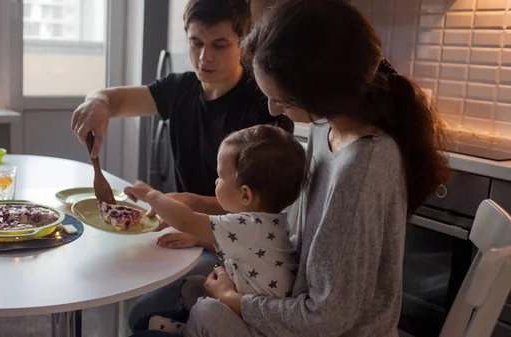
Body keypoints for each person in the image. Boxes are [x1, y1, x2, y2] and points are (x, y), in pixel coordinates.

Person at [130, 0, 451, 336]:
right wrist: (228, 250)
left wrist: (233, 299)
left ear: (320, 90)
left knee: (160, 320)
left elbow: (326, 318)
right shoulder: (324, 127)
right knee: (156, 310)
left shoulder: (362, 167)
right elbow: (306, 250)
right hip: (291, 314)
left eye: (281, 99)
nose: (272, 107)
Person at [70, 0, 293, 328]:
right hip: (182, 227)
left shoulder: (264, 108)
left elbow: (262, 210)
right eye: (196, 43)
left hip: (237, 252)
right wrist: (98, 102)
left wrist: (193, 216)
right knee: (108, 270)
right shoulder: (181, 88)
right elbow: (113, 98)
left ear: (242, 43)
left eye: (219, 45)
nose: (205, 58)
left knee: (141, 315)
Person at [123, 125, 307, 334]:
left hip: (253, 329)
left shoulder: (248, 225)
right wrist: (199, 239)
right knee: (194, 286)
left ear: (245, 195)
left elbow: (186, 219)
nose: (216, 181)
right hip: (251, 316)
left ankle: (187, 331)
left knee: (207, 310)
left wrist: (150, 194)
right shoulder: (273, 223)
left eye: (220, 177)